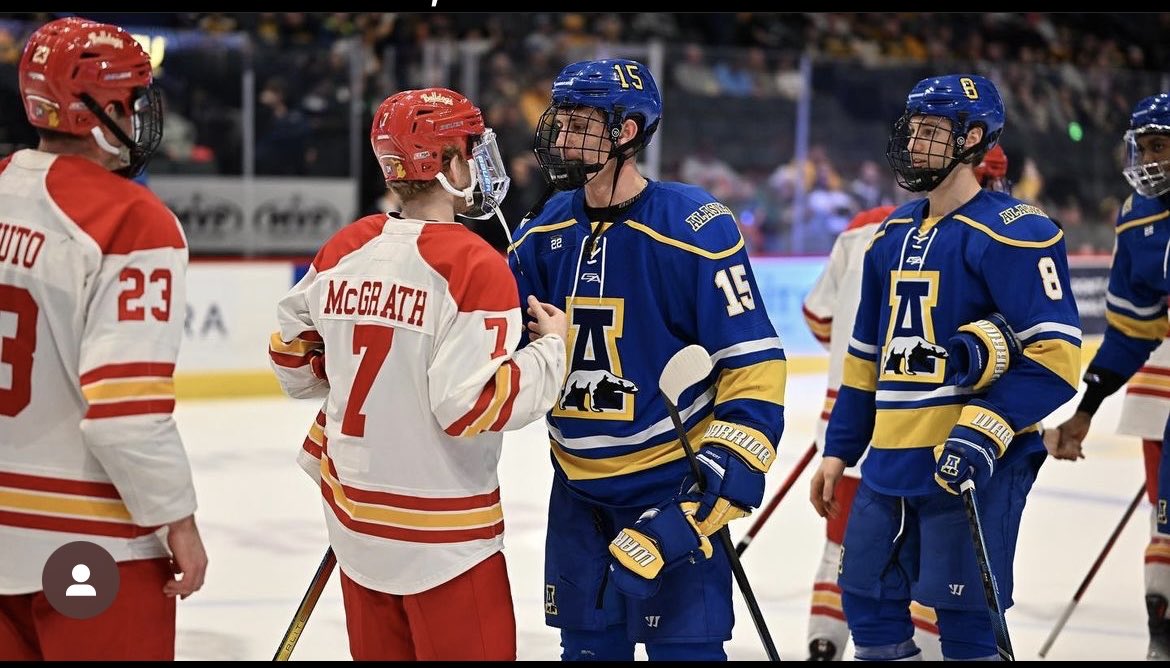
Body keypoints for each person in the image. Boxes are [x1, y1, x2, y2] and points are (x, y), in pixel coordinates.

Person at [267, 86, 568, 661]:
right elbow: (471, 405)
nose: (479, 160)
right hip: (445, 538)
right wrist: (550, 351)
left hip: (355, 522)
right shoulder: (474, 264)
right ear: (448, 163)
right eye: (470, 148)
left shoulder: (345, 247)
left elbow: (292, 363)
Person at [510, 58, 787, 661]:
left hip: (671, 489)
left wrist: (697, 509)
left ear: (628, 132)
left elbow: (755, 369)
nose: (561, 133)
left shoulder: (695, 227)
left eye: (581, 120)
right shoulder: (540, 234)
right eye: (562, 118)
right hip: (577, 497)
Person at [809, 74, 1082, 661]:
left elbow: (1058, 357)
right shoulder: (891, 233)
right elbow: (864, 358)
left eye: (931, 132)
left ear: (973, 138)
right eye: (913, 130)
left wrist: (987, 426)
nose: (915, 143)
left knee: (964, 623)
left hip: (974, 466)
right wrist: (839, 449)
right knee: (867, 604)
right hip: (888, 460)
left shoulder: (1018, 232)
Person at [0, 16, 207, 661]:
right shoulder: (130, 218)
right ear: (100, 107)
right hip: (90, 545)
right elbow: (124, 416)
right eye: (134, 98)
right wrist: (178, 517)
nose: (142, 113)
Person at [799, 147, 1015, 661]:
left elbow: (818, 321)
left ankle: (824, 645)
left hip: (848, 417)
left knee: (847, 548)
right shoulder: (984, 234)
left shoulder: (863, 230)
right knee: (929, 557)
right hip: (926, 426)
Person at [1046, 92, 1170, 660]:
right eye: (1143, 147)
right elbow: (1129, 332)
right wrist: (1086, 408)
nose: (1149, 159)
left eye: (1160, 146)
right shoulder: (1138, 216)